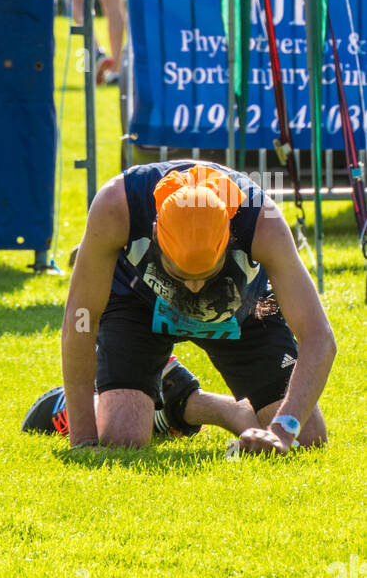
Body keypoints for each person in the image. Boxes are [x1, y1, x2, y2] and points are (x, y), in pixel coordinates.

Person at [49, 160, 335, 454]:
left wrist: (282, 430)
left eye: (207, 275)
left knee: (307, 441)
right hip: (138, 304)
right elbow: (80, 319)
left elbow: (318, 336)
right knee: (122, 440)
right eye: (180, 275)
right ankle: (68, 402)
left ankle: (184, 399)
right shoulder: (117, 203)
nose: (195, 288)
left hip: (240, 307)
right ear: (156, 234)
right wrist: (83, 440)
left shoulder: (263, 222)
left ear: (229, 239)